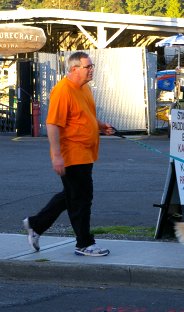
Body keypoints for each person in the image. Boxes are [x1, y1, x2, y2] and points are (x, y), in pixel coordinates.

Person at [23, 51, 114, 257]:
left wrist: (100, 126)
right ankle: (84, 243)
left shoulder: (84, 88)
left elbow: (86, 114)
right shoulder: (63, 91)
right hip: (72, 153)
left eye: (92, 66)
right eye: (88, 67)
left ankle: (35, 224)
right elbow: (53, 124)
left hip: (86, 152)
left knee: (73, 195)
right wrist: (56, 156)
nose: (92, 70)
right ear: (74, 69)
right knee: (81, 199)